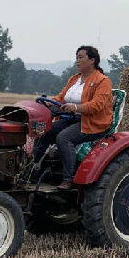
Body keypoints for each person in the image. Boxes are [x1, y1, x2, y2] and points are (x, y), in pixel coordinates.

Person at [32, 45, 113, 189]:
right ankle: (33, 170)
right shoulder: (74, 79)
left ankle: (68, 179)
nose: (77, 61)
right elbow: (61, 98)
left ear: (92, 60)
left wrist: (76, 107)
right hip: (71, 119)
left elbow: (96, 105)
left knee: (64, 137)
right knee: (45, 131)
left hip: (93, 123)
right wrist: (50, 103)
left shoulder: (102, 81)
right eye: (76, 57)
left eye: (81, 57)